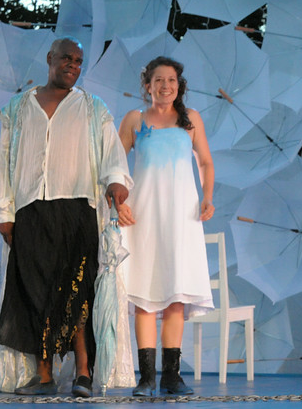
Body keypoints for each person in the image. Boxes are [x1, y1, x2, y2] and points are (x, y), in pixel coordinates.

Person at [0, 37, 134, 397]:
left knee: (77, 292)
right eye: (66, 58)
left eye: (79, 61)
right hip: (30, 210)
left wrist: (116, 185)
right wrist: (3, 211)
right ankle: (44, 375)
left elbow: (113, 156)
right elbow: (3, 162)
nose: (72, 64)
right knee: (36, 294)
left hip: (76, 210)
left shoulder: (93, 108)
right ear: (50, 58)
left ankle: (83, 372)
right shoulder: (18, 108)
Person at [117, 56, 215, 397]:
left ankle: (171, 376)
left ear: (179, 85)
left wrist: (207, 197)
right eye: (159, 80)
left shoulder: (191, 121)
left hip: (181, 216)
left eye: (171, 80)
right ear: (148, 85)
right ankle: (145, 377)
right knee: (145, 296)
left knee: (175, 296)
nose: (165, 86)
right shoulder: (134, 119)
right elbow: (115, 166)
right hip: (143, 214)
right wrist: (118, 202)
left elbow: (204, 161)